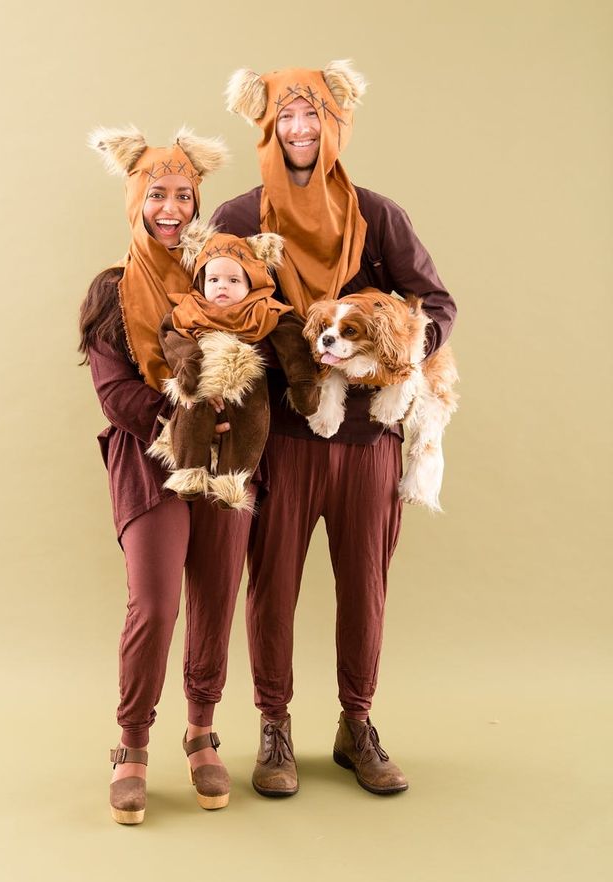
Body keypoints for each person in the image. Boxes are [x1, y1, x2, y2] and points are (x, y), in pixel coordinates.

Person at [210, 60, 458, 797]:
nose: (299, 129)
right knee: (271, 588)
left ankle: (358, 723)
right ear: (265, 127)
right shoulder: (238, 218)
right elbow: (208, 314)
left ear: (336, 124)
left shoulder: (378, 216)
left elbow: (436, 304)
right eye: (285, 117)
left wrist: (394, 355)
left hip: (370, 443)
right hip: (281, 439)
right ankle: (274, 727)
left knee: (365, 587)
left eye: (312, 115)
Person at [79, 125, 249, 824]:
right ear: (135, 200)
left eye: (183, 195)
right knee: (154, 604)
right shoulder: (112, 290)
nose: (171, 208)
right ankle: (132, 744)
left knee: (216, 595)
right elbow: (115, 395)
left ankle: (201, 731)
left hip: (228, 463)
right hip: (150, 461)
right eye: (157, 194)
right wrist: (186, 418)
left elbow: (258, 354)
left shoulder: (222, 275)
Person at [149, 220, 320, 511]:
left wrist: (304, 385)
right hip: (201, 381)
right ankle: (190, 471)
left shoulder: (265, 311)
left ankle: (232, 481)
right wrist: (187, 364)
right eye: (213, 279)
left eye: (233, 280)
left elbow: (294, 345)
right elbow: (171, 337)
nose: (222, 287)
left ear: (251, 283)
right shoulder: (189, 310)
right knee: (191, 412)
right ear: (202, 281)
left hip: (246, 383)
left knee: (251, 424)